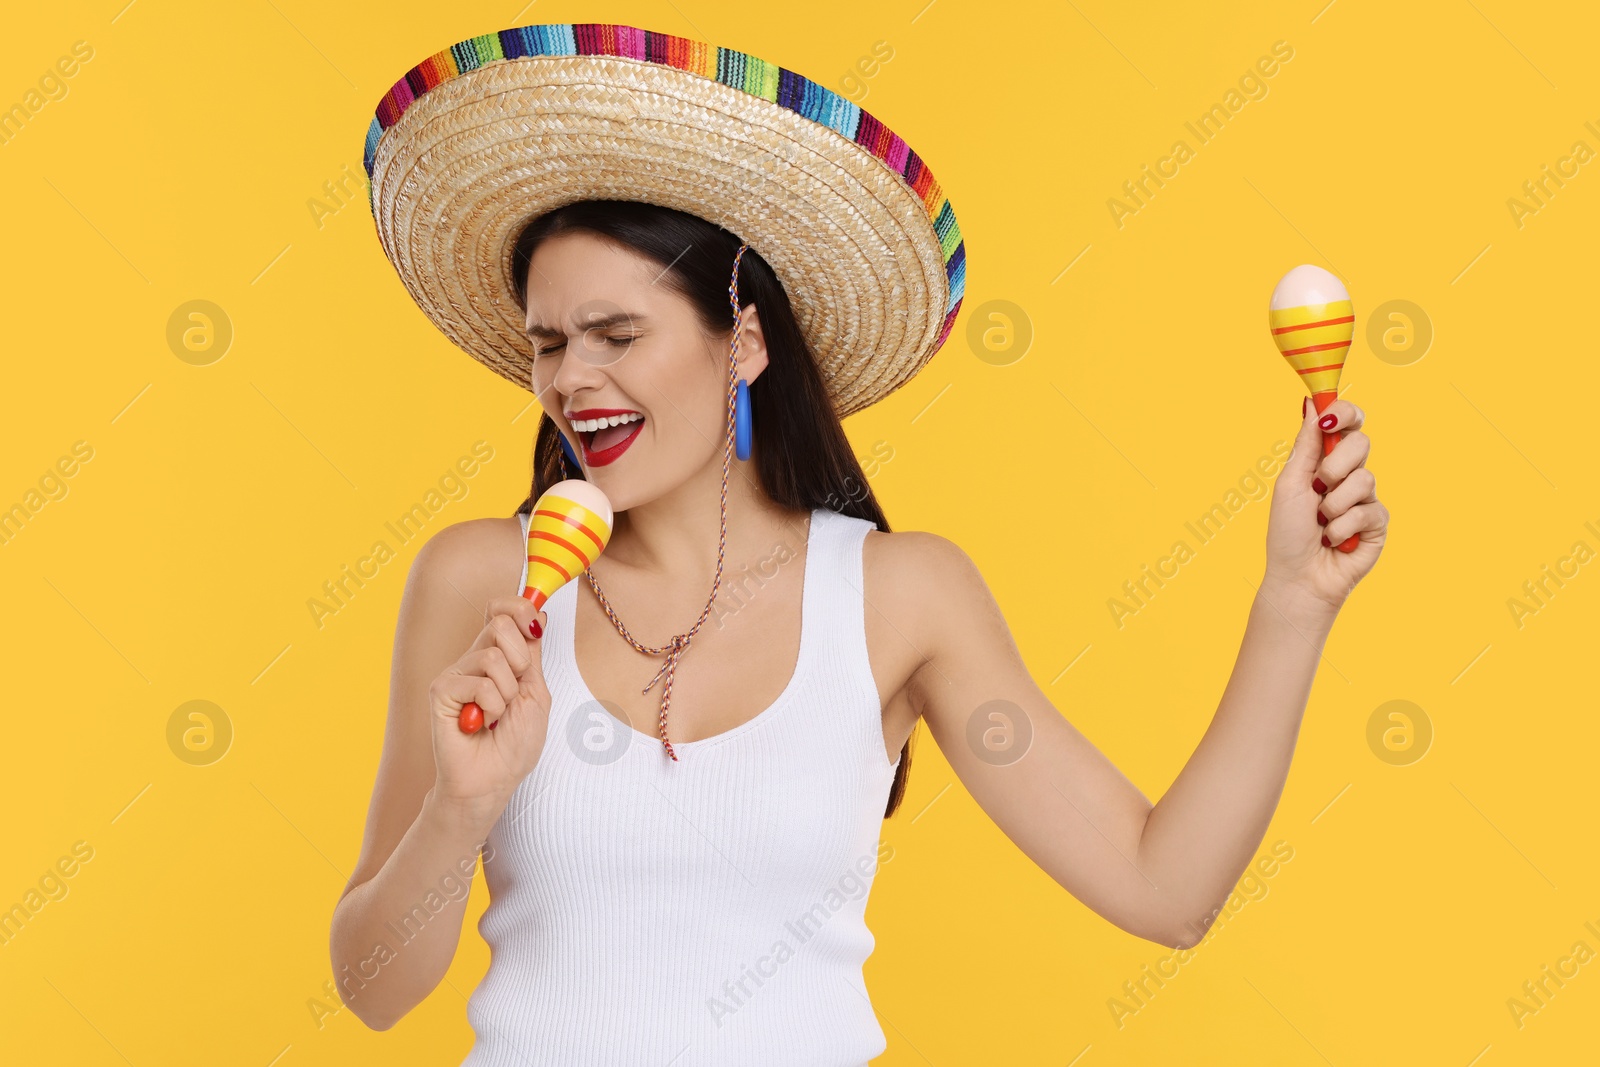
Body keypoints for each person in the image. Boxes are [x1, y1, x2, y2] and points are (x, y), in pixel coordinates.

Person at [329, 23, 1388, 1066]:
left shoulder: (898, 595)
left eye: (616, 335)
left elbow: (1166, 889)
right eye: (548, 343)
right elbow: (374, 990)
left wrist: (1294, 599)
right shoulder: (477, 579)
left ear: (742, 339)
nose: (569, 379)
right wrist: (458, 804)